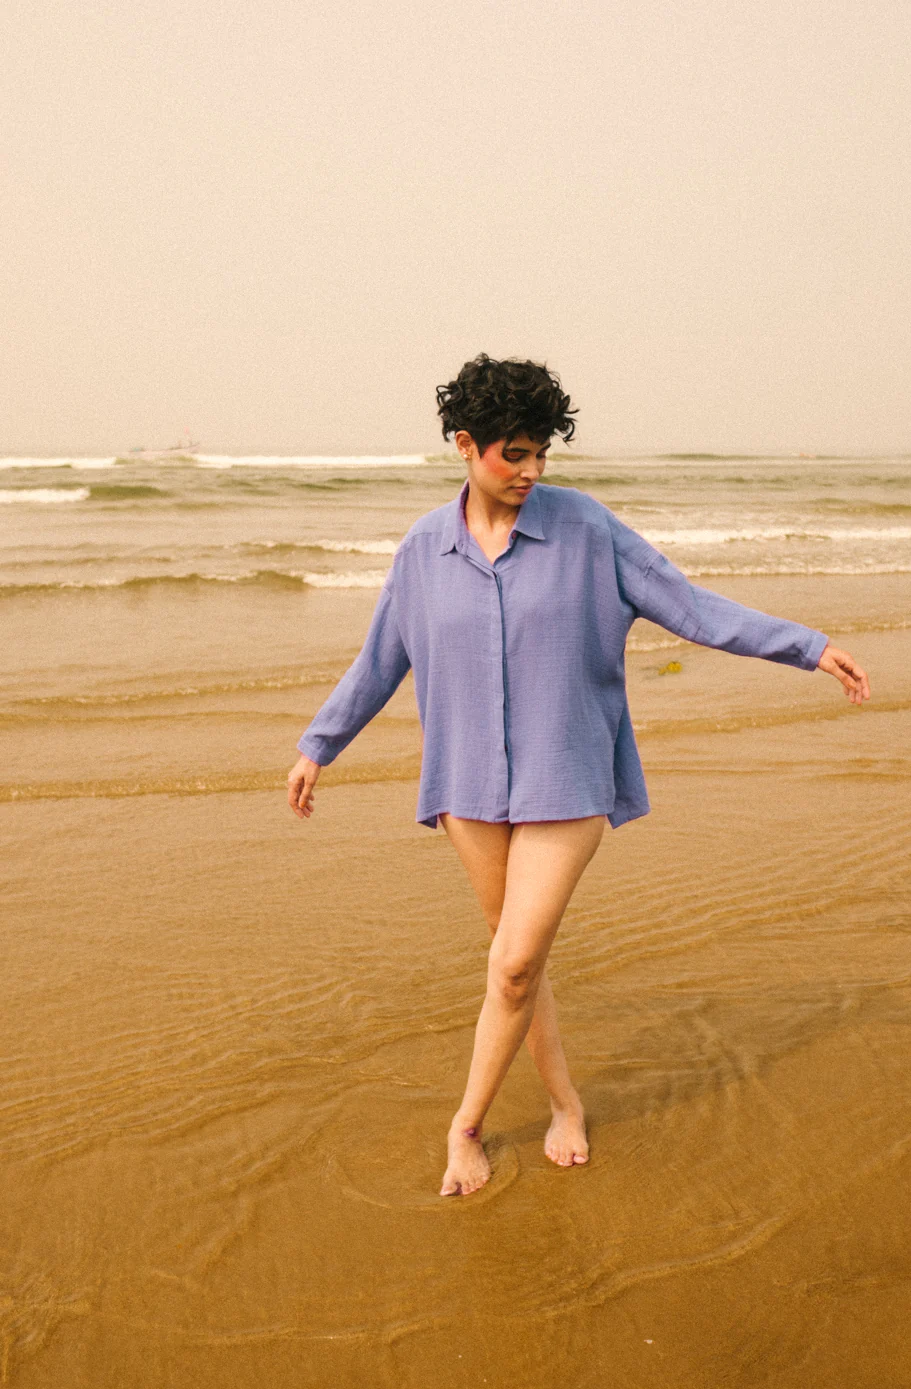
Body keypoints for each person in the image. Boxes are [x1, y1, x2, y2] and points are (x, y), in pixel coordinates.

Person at [287, 353, 871, 1197]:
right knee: (516, 963)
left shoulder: (588, 530)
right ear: (465, 445)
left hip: (567, 773)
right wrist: (319, 745)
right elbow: (381, 659)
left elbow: (692, 607)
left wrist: (807, 646)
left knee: (514, 964)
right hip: (468, 784)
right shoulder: (422, 550)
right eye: (513, 453)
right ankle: (565, 1102)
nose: (531, 471)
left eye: (541, 453)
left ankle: (464, 1126)